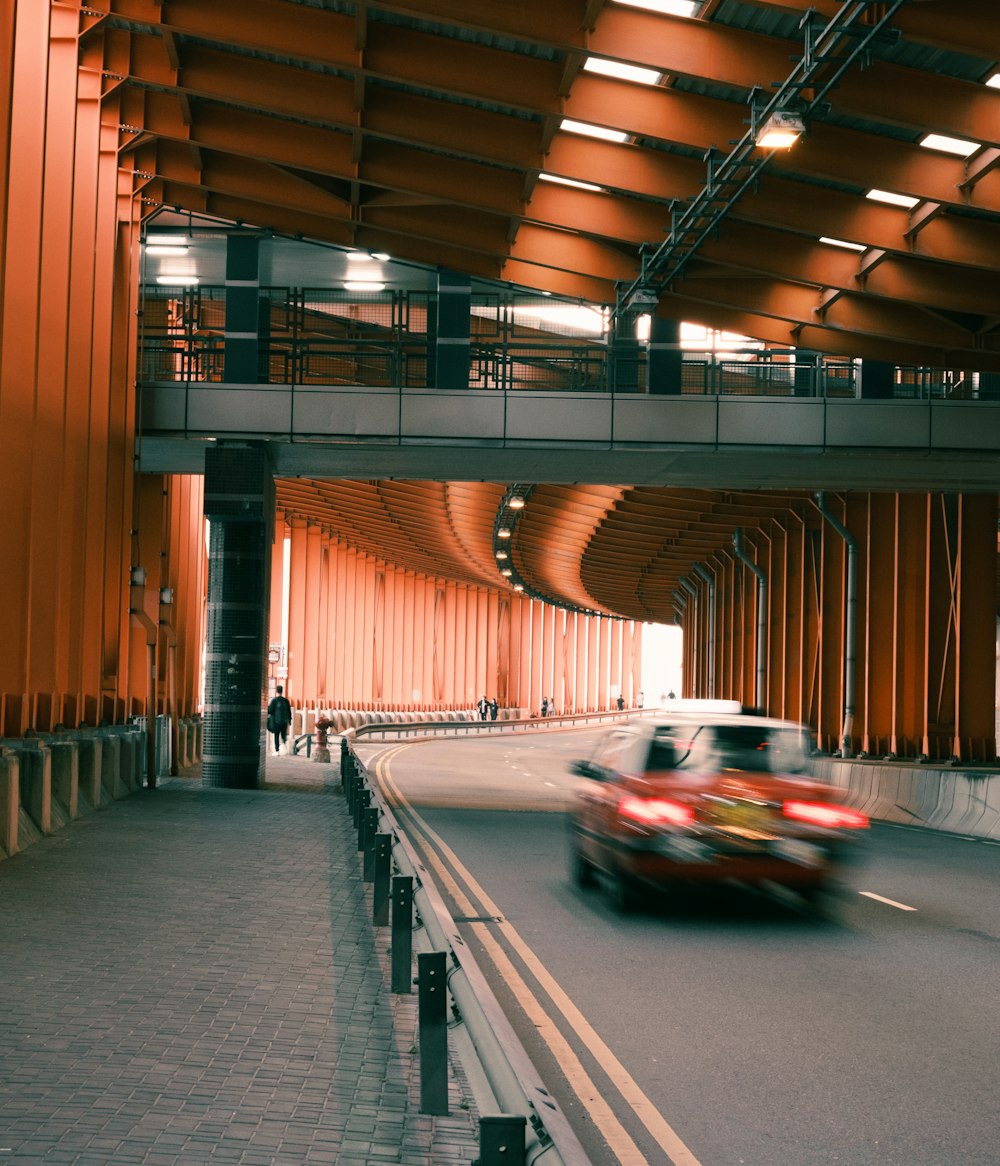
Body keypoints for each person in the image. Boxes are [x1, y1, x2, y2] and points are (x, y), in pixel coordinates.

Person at [267, 685, 292, 754]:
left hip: (276, 721)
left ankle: (277, 750)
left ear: (276, 691)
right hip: (284, 721)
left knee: (276, 736)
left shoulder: (274, 700)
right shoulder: (286, 701)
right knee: (283, 735)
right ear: (282, 691)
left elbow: (270, 710)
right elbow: (289, 711)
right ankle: (284, 748)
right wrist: (289, 720)